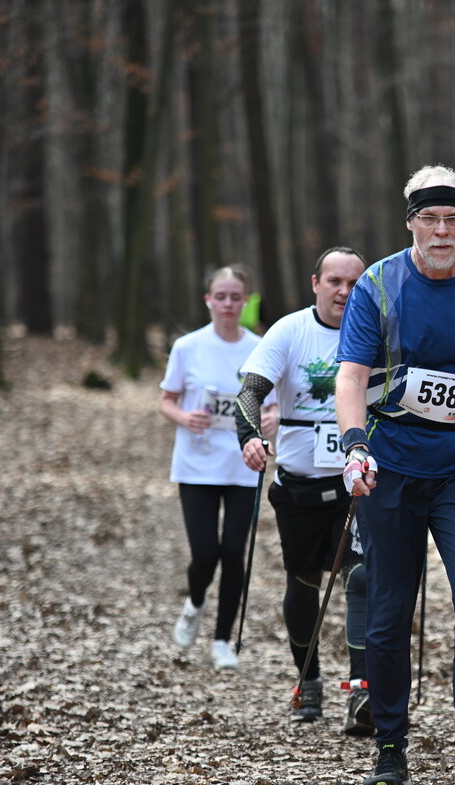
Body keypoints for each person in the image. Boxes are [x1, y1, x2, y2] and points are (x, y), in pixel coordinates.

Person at [335, 165, 455, 785]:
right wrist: (354, 447)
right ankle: (389, 744)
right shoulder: (379, 284)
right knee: (390, 605)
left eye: (453, 219)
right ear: (411, 223)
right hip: (391, 462)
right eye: (430, 219)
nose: (442, 231)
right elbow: (351, 375)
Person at [235, 246, 374, 735]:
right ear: (316, 283)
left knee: (361, 578)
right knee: (303, 584)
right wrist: (250, 436)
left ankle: (362, 691)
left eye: (355, 283)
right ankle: (308, 681)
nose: (345, 291)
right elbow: (250, 390)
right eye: (335, 281)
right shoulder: (289, 331)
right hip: (297, 488)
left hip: (356, 485)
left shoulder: (377, 331)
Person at [159, 266, 277, 670]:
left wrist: (272, 419)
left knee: (234, 552)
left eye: (235, 297)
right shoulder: (187, 347)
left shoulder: (261, 348)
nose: (228, 304)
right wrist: (184, 417)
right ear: (208, 300)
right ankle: (195, 602)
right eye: (221, 296)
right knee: (206, 553)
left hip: (245, 462)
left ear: (246, 301)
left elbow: (274, 404)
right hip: (197, 464)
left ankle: (222, 640)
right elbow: (166, 400)